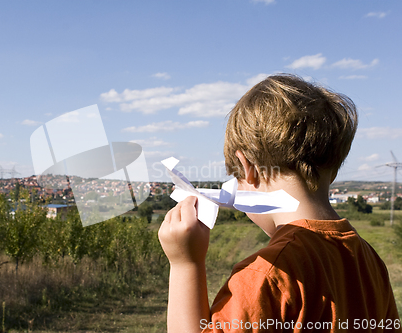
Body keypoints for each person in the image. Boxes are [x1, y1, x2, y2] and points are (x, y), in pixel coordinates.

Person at [158, 74, 400, 332]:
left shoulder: (265, 276)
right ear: (334, 168)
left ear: (247, 167)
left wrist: (186, 264)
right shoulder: (369, 260)